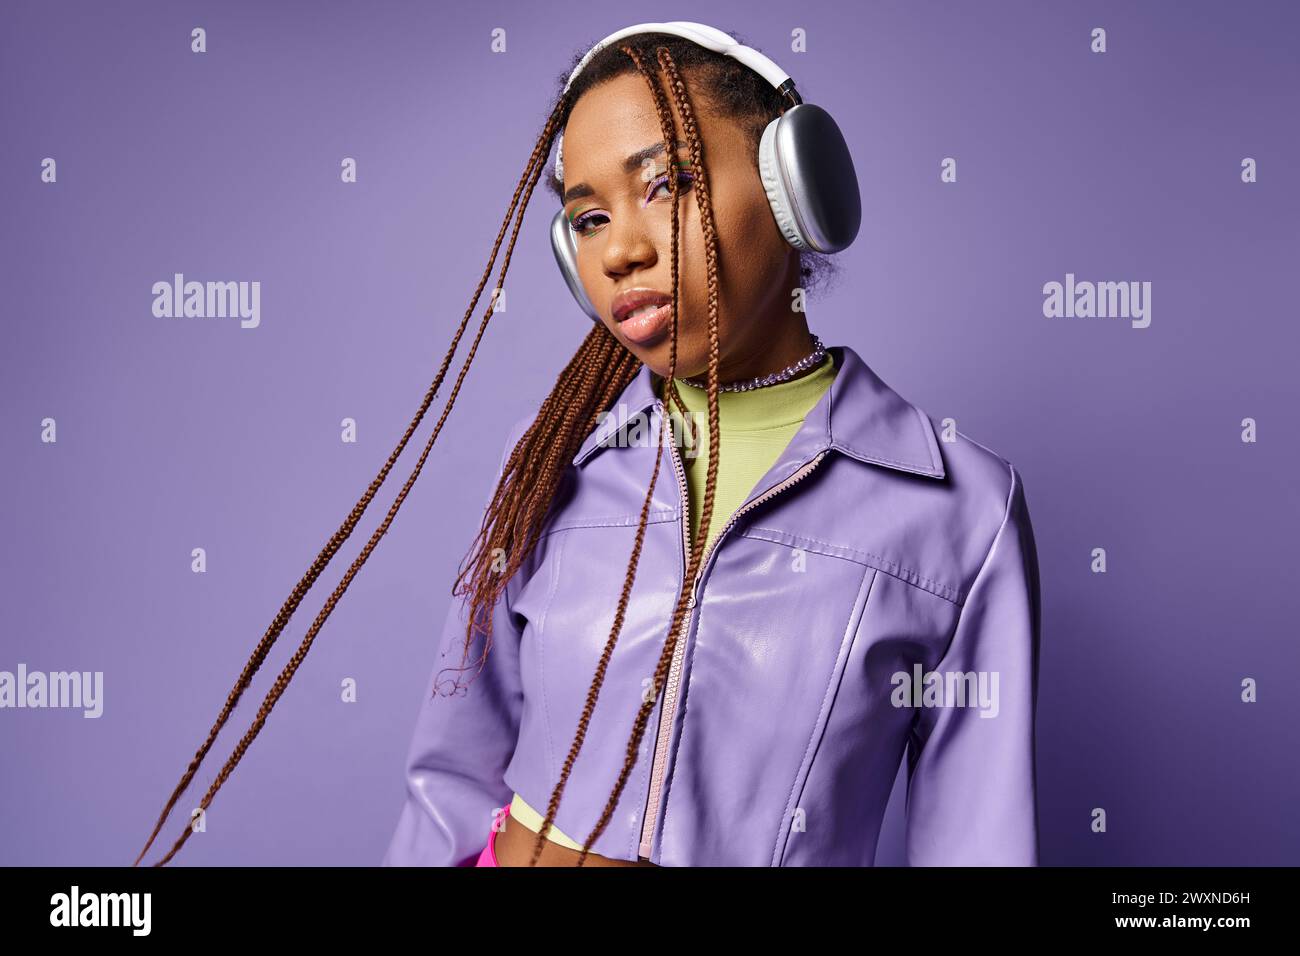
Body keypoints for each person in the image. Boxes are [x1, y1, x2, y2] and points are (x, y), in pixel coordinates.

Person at [133, 23, 1041, 870]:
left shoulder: (957, 508)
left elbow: (978, 842)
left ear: (793, 188)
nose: (619, 252)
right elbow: (451, 779)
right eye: (590, 218)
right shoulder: (555, 461)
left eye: (665, 184)